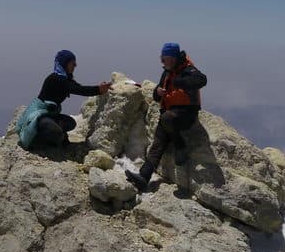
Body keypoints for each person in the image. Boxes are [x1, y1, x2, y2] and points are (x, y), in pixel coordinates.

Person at [125, 43, 207, 193]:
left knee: (166, 119)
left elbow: (202, 80)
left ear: (174, 58)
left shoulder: (188, 69)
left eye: (165, 58)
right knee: (157, 143)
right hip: (170, 114)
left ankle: (180, 147)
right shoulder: (167, 72)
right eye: (162, 58)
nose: (163, 61)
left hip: (186, 114)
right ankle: (143, 177)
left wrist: (180, 82)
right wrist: (158, 92)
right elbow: (157, 96)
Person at [16, 49, 110, 150]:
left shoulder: (65, 78)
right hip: (39, 116)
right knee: (56, 133)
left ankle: (51, 135)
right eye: (72, 63)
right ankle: (37, 141)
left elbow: (78, 87)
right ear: (64, 63)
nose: (75, 65)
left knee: (71, 123)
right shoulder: (56, 79)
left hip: (50, 114)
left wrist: (99, 88)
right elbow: (79, 90)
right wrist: (98, 90)